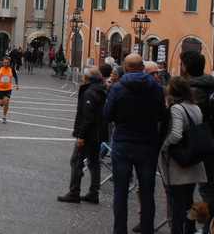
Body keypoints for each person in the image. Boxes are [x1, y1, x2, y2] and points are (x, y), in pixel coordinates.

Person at [105, 53, 167, 234]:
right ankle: (147, 228)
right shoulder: (155, 87)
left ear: (125, 67)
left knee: (120, 191)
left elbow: (107, 115)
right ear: (142, 67)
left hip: (123, 142)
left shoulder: (117, 88)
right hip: (147, 143)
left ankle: (119, 230)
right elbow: (163, 115)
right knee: (147, 191)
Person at [159, 76, 207, 234]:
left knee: (177, 203)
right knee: (188, 200)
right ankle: (190, 229)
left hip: (179, 163)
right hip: (194, 159)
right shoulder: (196, 107)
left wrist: (164, 147)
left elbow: (176, 134)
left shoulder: (176, 109)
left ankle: (178, 230)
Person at [58, 66, 107, 204]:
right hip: (98, 133)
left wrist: (81, 136)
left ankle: (74, 192)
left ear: (87, 78)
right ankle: (93, 193)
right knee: (94, 162)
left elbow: (87, 117)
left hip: (89, 134)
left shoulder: (90, 92)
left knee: (76, 161)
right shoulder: (101, 89)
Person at [180, 50, 214, 232]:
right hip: (209, 143)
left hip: (197, 146)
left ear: (186, 67)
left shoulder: (191, 90)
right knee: (209, 188)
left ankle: (201, 227)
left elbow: (191, 122)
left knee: (194, 190)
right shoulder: (210, 85)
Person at [0, 56, 19, 124]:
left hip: (8, 89)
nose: (6, 64)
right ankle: (2, 103)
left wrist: (16, 84)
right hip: (0, 89)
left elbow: (15, 76)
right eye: (4, 62)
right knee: (0, 104)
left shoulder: (11, 68)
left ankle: (4, 117)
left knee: (6, 102)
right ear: (3, 62)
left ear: (9, 62)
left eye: (7, 63)